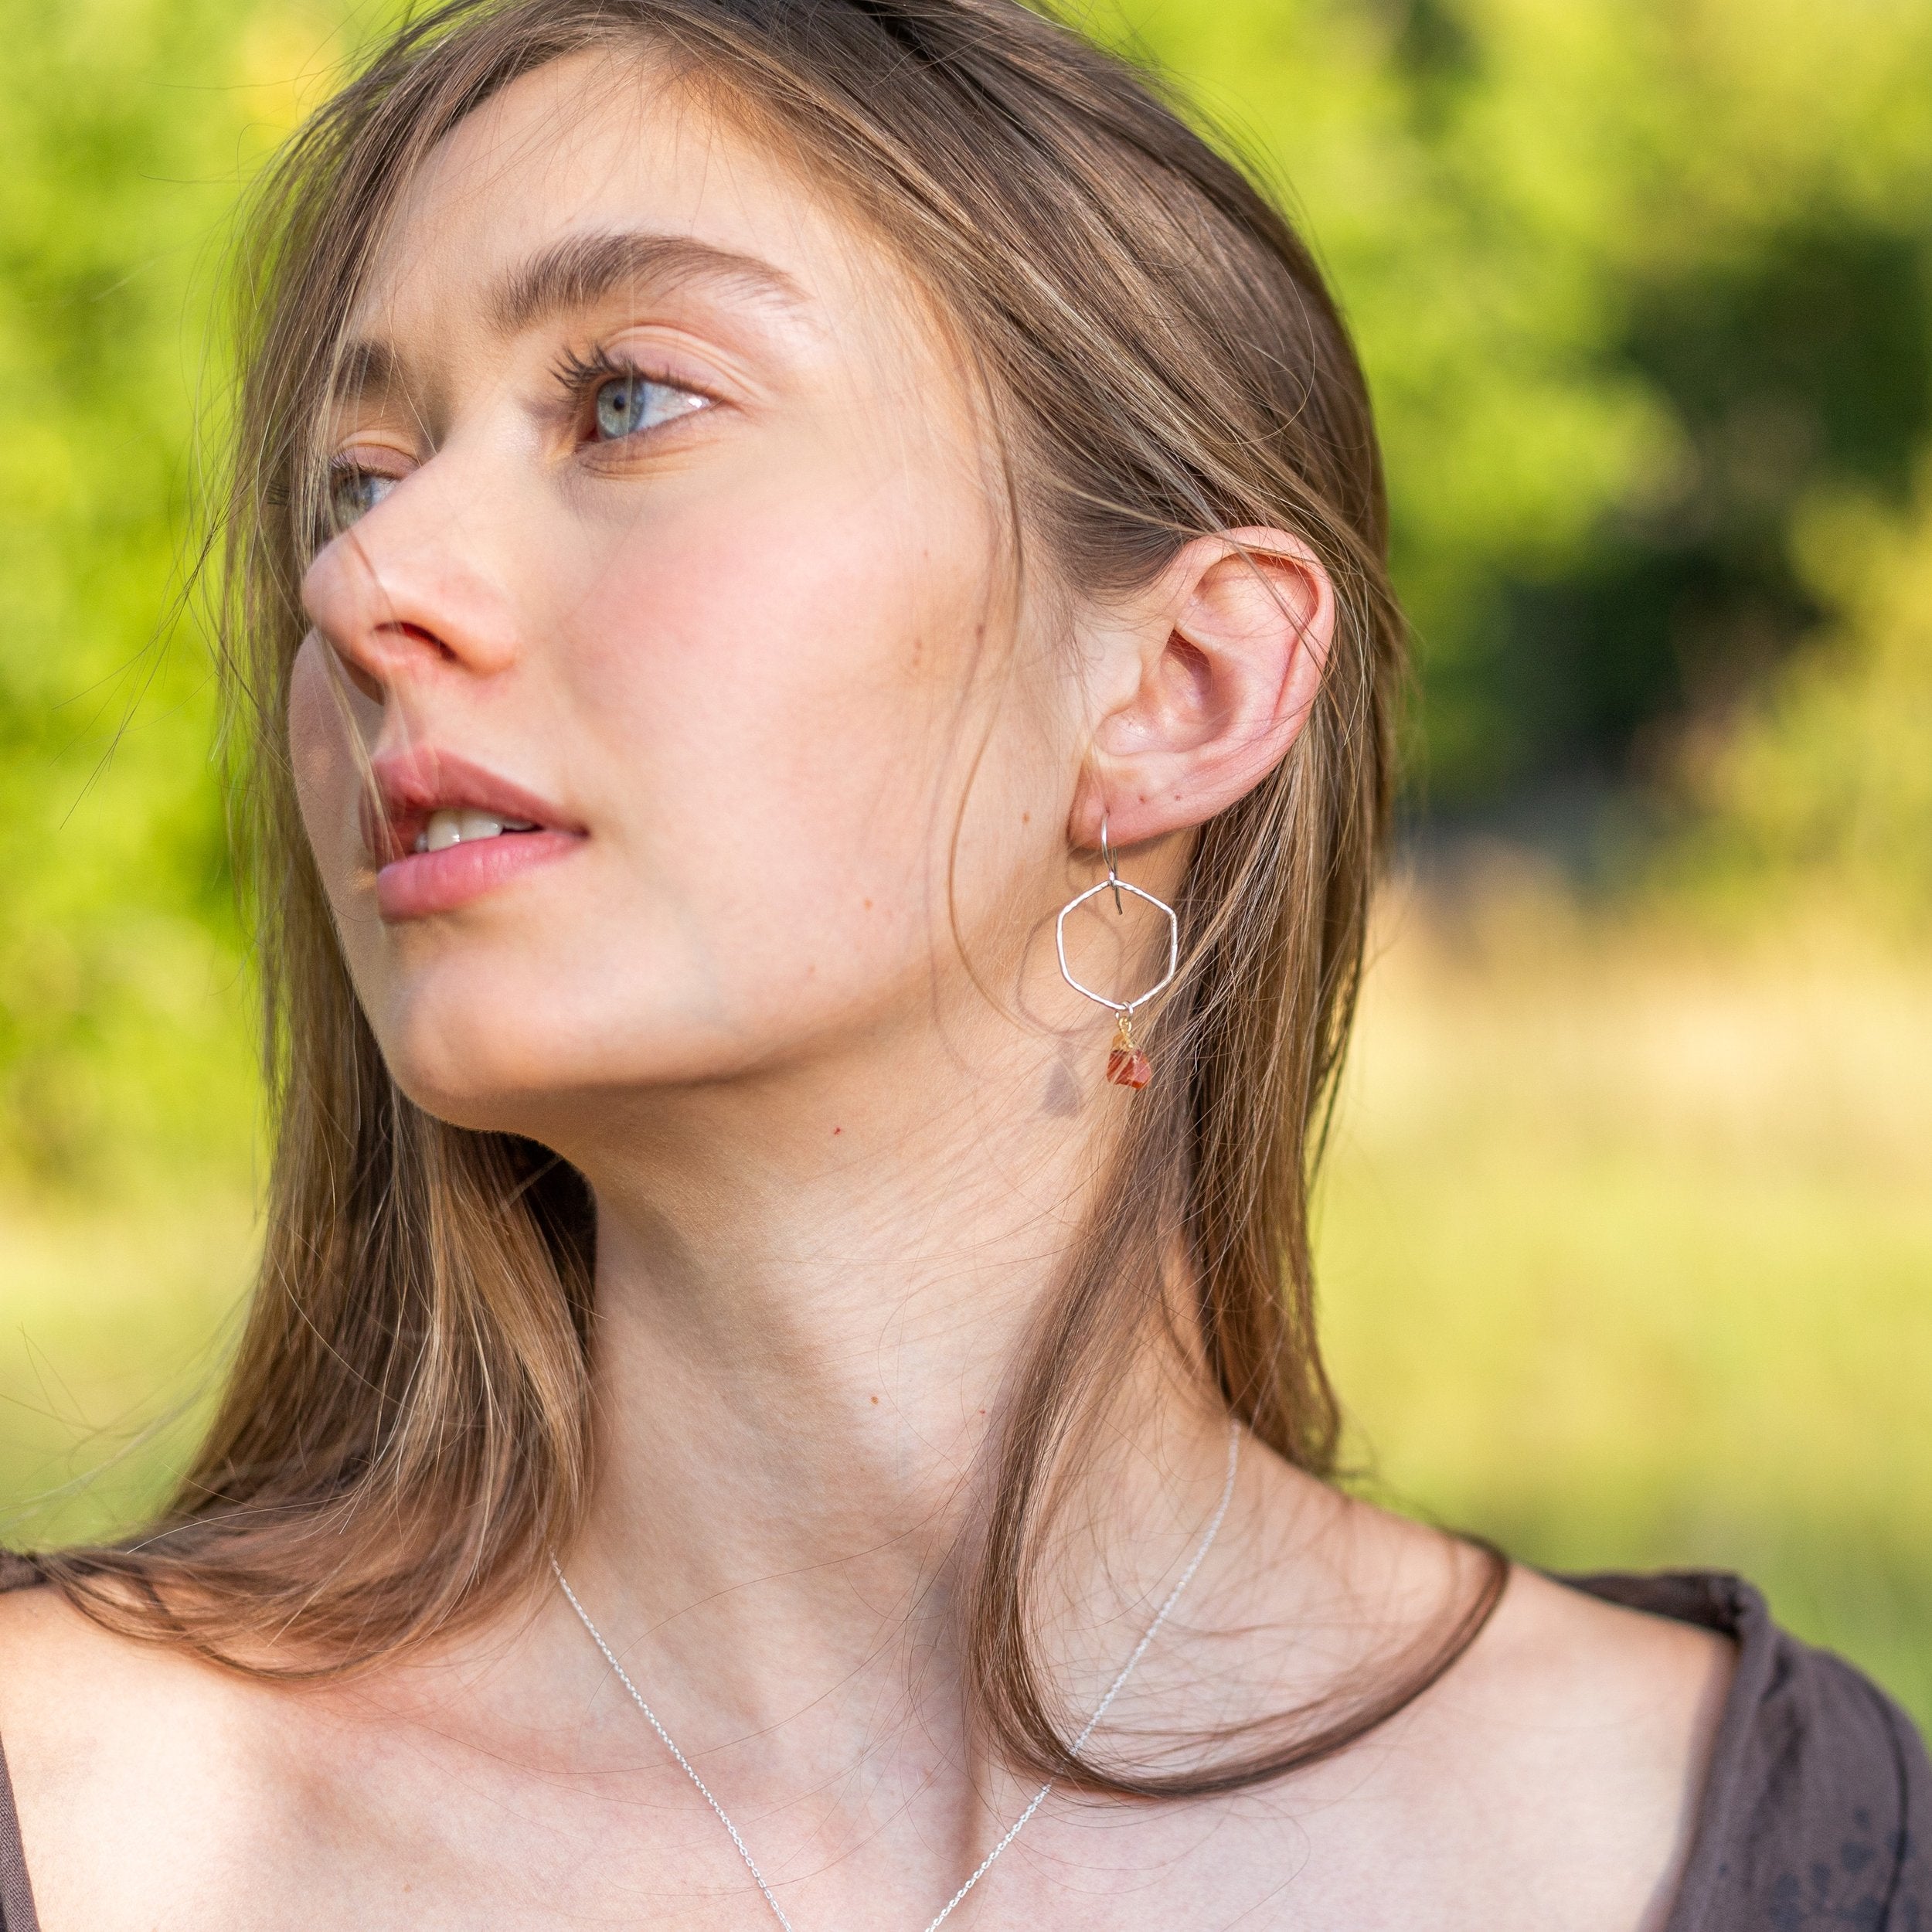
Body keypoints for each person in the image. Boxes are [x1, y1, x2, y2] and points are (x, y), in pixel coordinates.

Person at [0, 2, 1924, 1926]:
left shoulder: (1749, 1844)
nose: (359, 582)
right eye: (357, 476)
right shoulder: (73, 1800)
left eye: (625, 403)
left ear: (1180, 686)